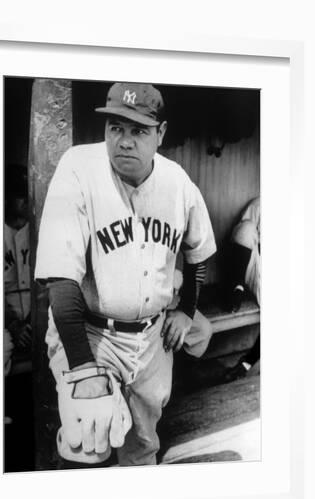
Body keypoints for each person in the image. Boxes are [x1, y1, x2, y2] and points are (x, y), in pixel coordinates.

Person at [35, 82, 216, 466]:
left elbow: (198, 251)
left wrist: (187, 310)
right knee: (87, 441)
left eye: (138, 130)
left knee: (142, 448)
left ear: (160, 133)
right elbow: (61, 278)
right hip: (90, 330)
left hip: (151, 340)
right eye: (116, 127)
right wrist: (84, 369)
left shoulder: (177, 181)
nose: (125, 141)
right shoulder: (79, 168)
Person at [225, 197, 260, 380]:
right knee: (246, 228)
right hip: (256, 265)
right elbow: (240, 235)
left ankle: (246, 364)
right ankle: (236, 287)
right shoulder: (260, 203)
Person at [4, 164, 32, 374]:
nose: (25, 200)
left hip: (36, 320)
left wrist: (32, 323)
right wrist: (13, 325)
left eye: (26, 194)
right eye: (19, 195)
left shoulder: (39, 230)